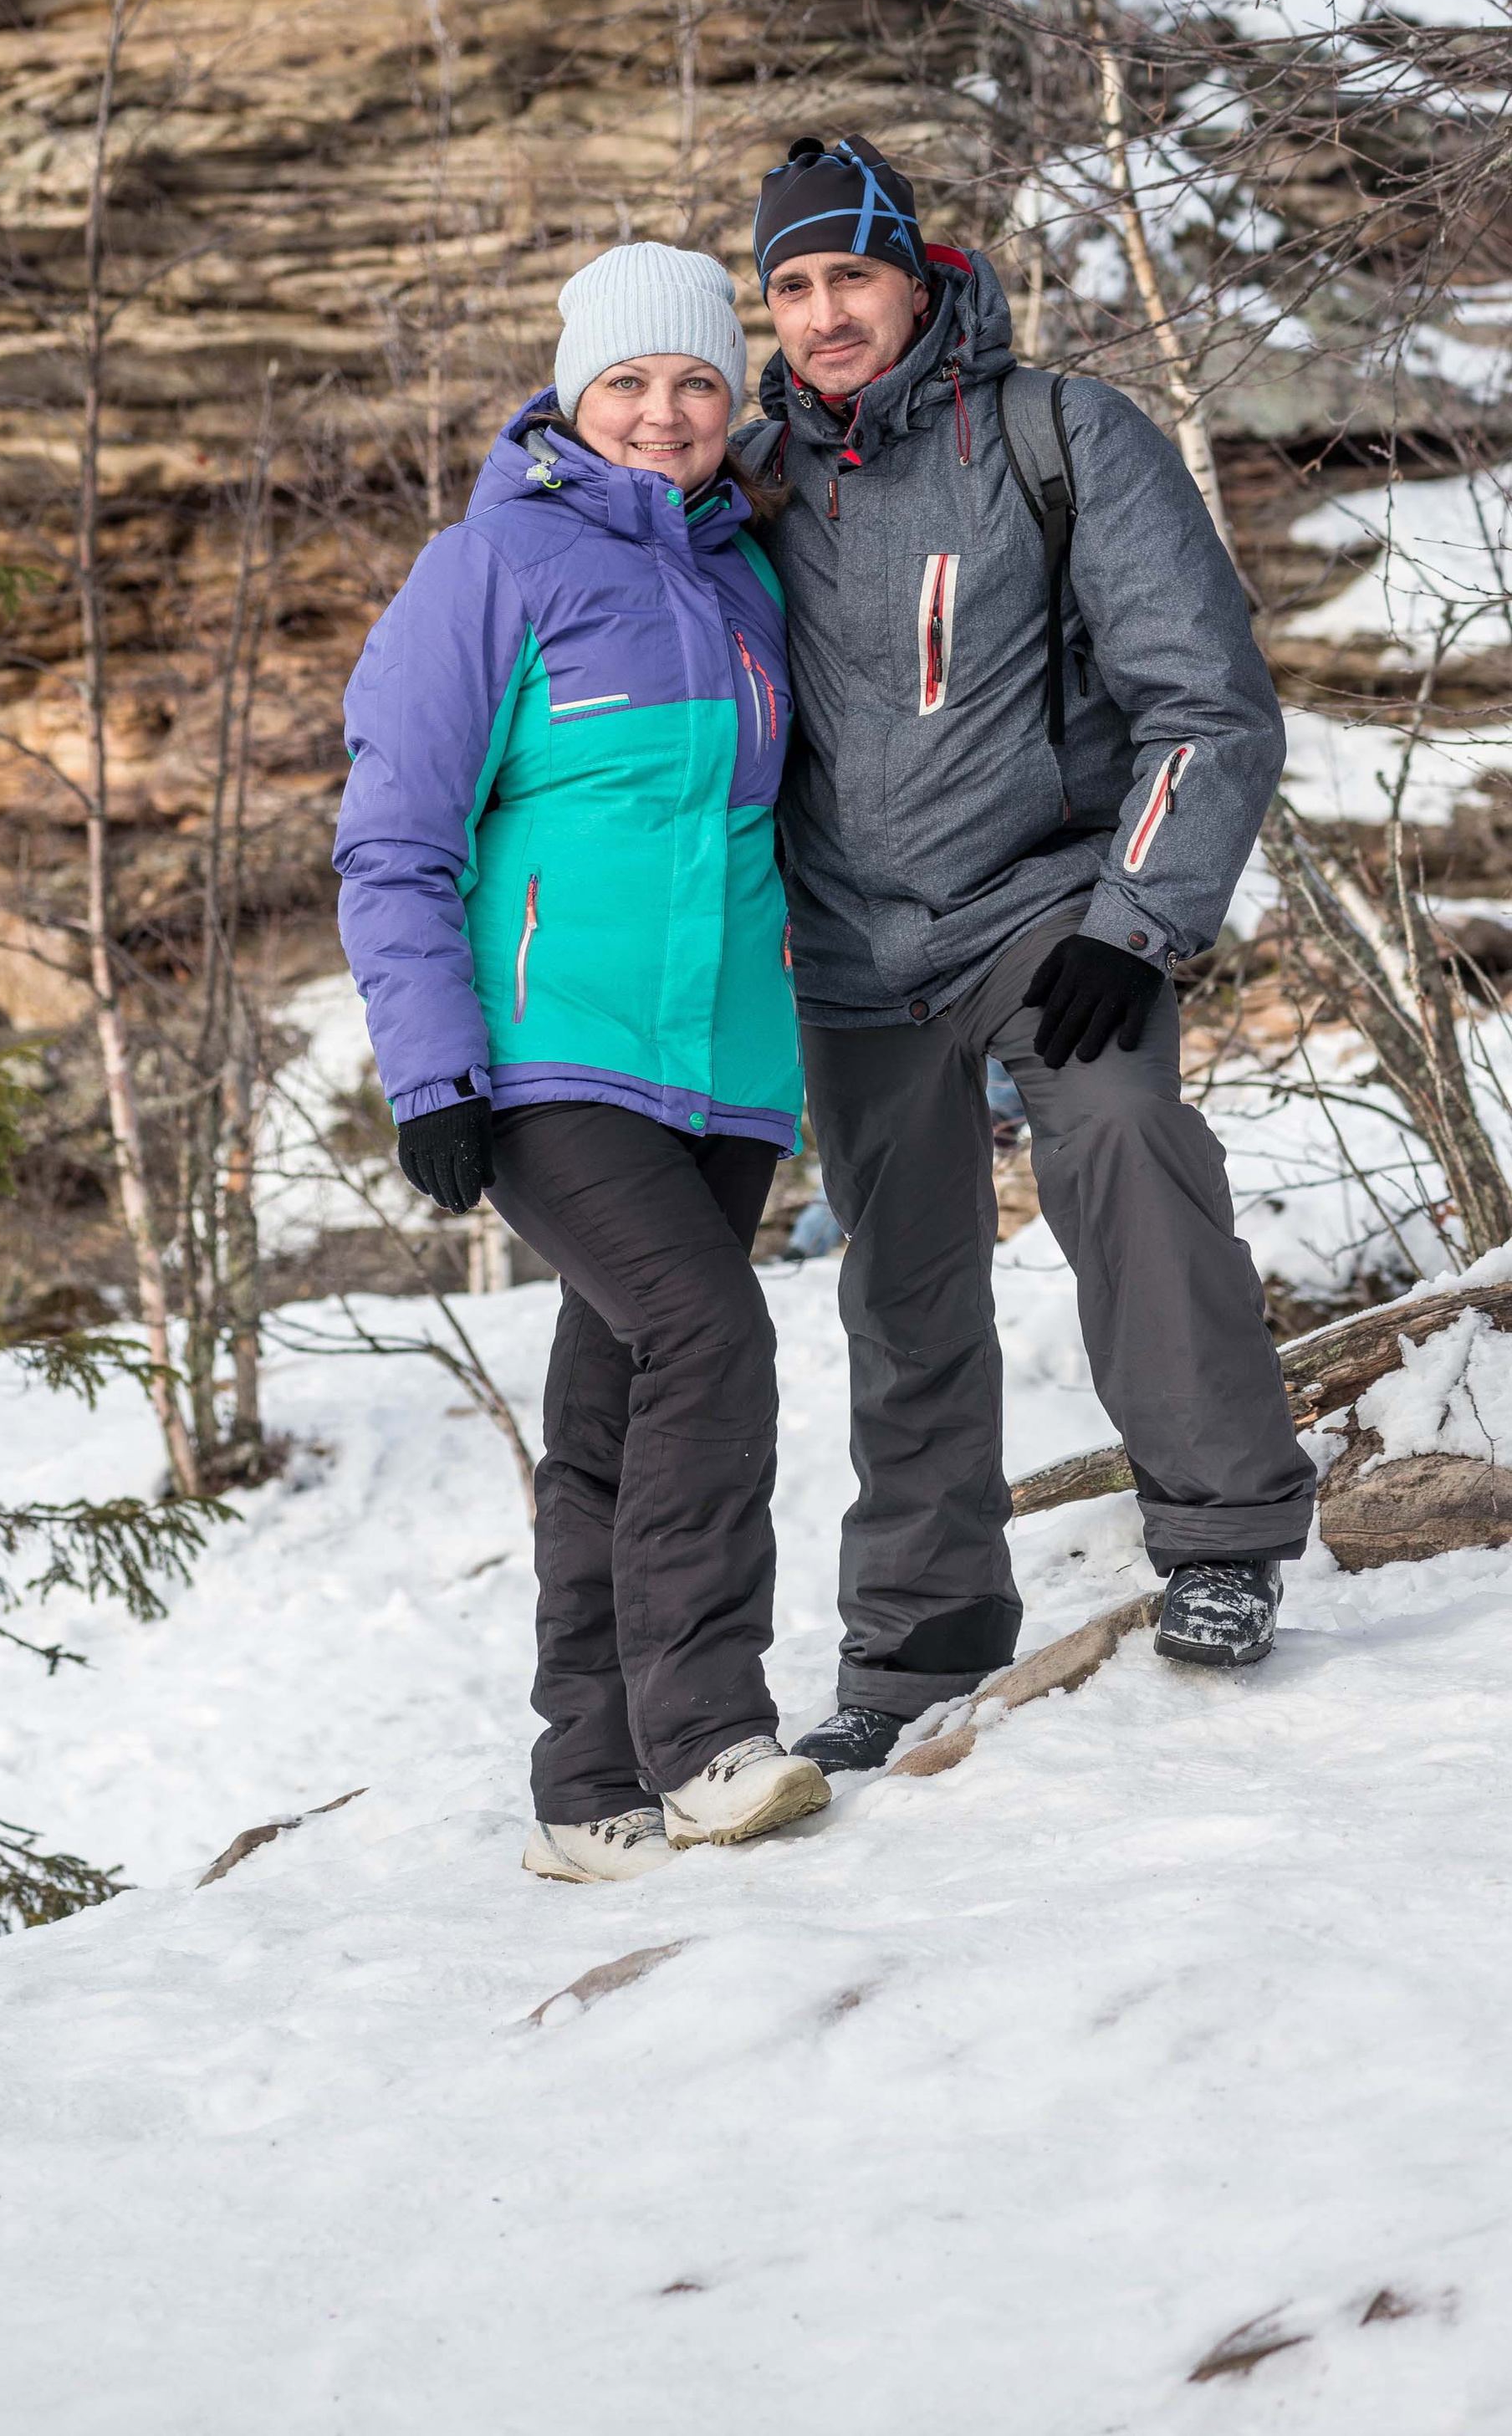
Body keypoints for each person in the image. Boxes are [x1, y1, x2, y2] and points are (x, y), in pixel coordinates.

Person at [732, 134, 1316, 1775]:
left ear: (915, 274)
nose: (825, 311)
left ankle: (1219, 1542)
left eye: (849, 273)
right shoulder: (751, 482)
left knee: (1122, 1139)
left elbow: (1206, 699)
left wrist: (1134, 922)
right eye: (790, 286)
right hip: (849, 948)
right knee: (897, 1284)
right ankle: (912, 1645)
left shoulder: (1062, 433)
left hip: (1048, 912)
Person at [334, 242, 828, 1880]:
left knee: (613, 1405)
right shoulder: (486, 569)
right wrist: (430, 1074)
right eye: (628, 381)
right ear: (570, 392)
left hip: (726, 1067)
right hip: (550, 1056)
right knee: (706, 1337)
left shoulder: (747, 575)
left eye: (695, 382)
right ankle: (701, 1739)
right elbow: (394, 838)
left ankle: (584, 1787)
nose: (663, 410)